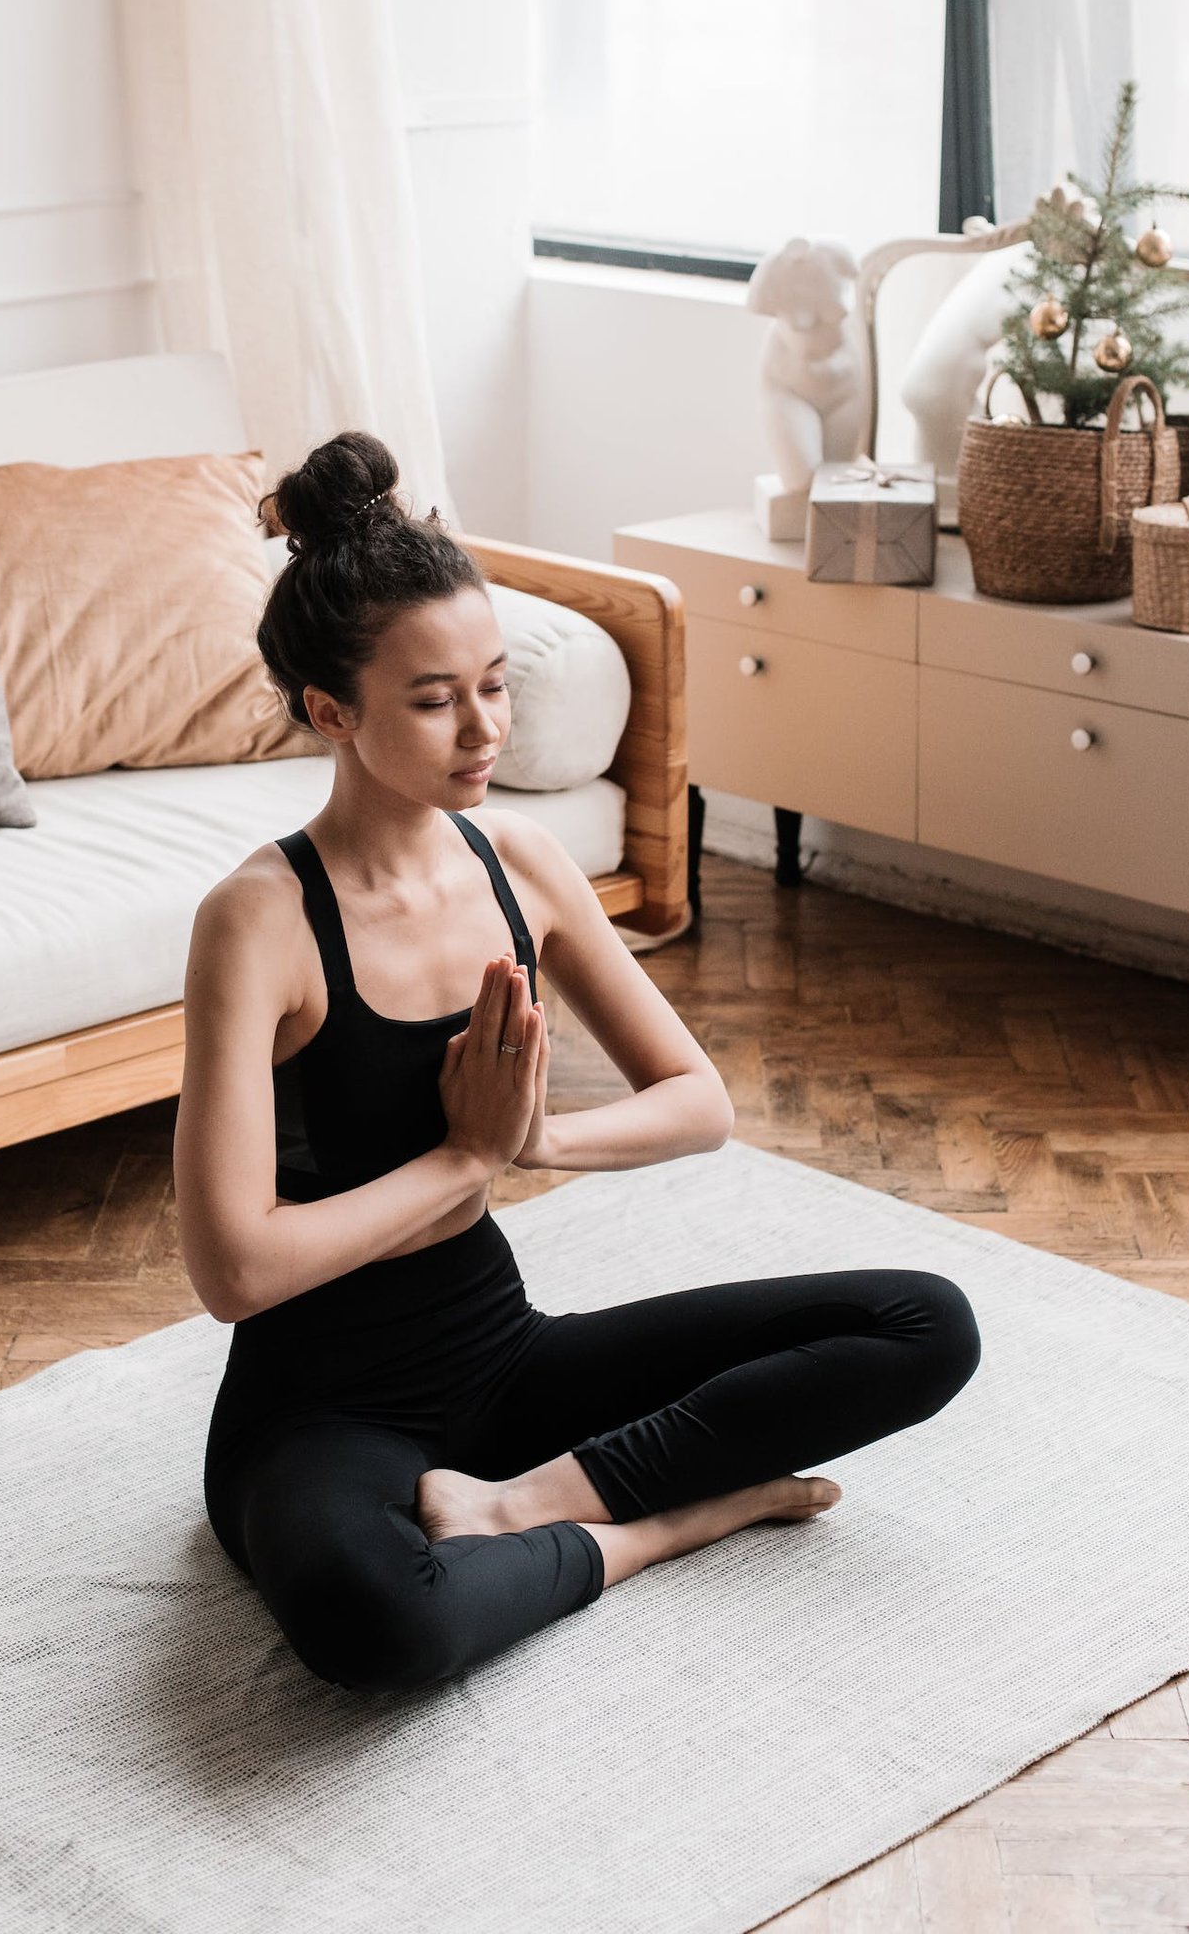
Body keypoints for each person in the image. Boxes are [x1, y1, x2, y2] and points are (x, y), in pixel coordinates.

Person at [173, 430, 981, 1699]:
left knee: (923, 1323)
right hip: (316, 1410)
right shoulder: (258, 920)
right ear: (332, 711)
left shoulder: (523, 865)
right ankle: (661, 1523)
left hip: (501, 1354)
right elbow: (234, 1270)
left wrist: (537, 1144)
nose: (483, 727)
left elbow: (698, 1104)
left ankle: (534, 1503)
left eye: (493, 683)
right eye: (434, 699)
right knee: (376, 1626)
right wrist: (464, 1158)